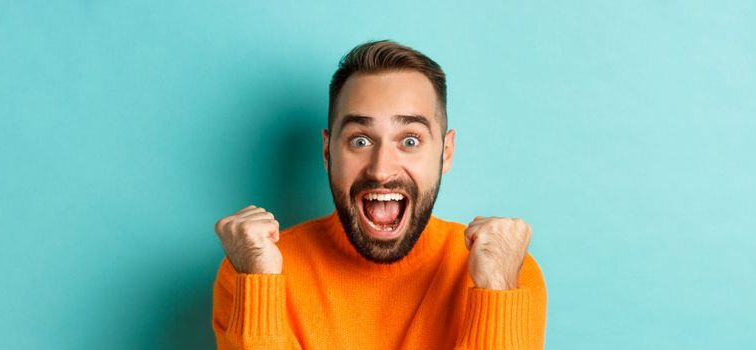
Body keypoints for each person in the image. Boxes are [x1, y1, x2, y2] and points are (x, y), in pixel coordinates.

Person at [212, 40, 546, 349]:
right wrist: (258, 285)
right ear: (328, 152)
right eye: (360, 140)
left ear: (445, 152)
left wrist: (497, 290)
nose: (381, 170)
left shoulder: (509, 274)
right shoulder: (251, 273)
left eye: (410, 141)